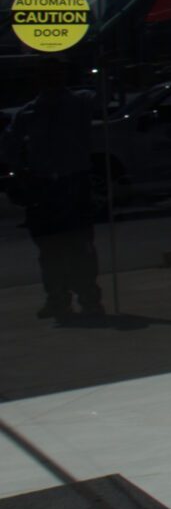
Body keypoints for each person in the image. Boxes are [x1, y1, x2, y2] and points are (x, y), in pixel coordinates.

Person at [4, 58, 103, 320]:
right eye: (45, 73)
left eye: (56, 72)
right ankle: (58, 299)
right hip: (44, 187)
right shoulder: (28, 113)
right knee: (50, 249)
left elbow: (103, 100)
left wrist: (100, 67)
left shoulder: (80, 102)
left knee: (80, 246)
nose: (51, 78)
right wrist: (21, 178)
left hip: (74, 183)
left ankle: (89, 299)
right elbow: (10, 151)